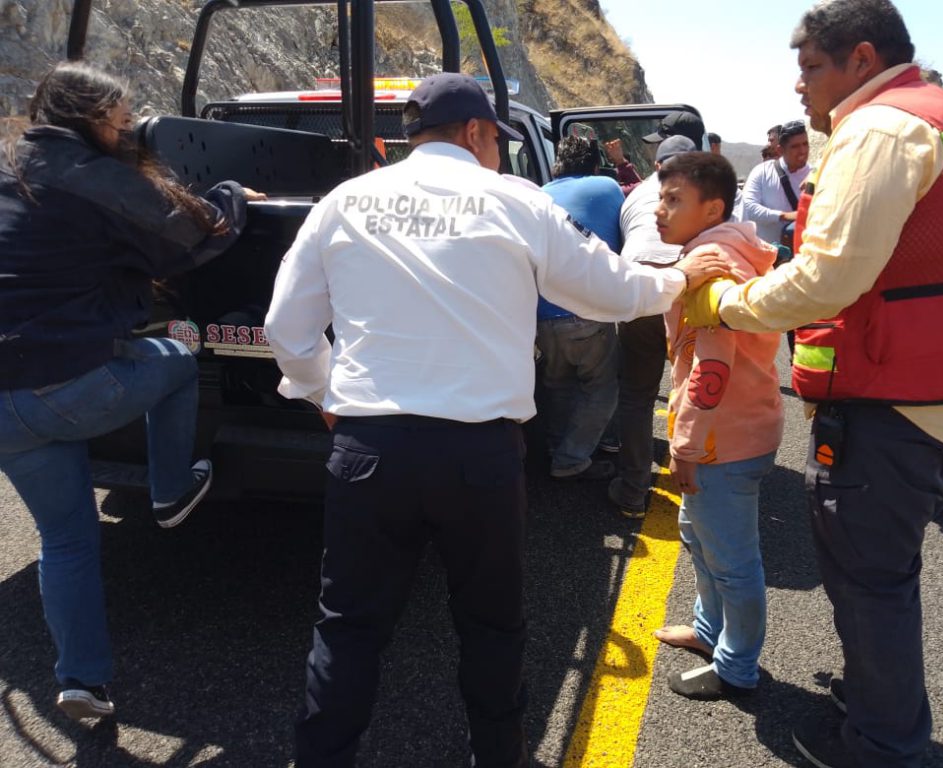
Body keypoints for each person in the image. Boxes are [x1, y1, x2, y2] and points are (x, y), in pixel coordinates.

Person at [263, 73, 729, 768]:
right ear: (477, 132)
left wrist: (326, 396)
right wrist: (679, 279)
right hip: (476, 457)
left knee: (349, 629)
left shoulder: (346, 201)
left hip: (371, 449)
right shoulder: (515, 200)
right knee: (489, 626)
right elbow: (608, 289)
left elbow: (286, 327)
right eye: (495, 140)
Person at [683, 1, 943, 765]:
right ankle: (877, 698)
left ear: (860, 60)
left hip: (891, 404)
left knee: (870, 580)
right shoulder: (933, 113)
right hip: (938, 388)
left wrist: (730, 302)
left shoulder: (881, 128)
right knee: (877, 572)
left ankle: (881, 741)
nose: (800, 88)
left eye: (811, 68)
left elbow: (829, 279)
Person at [0, 62, 256, 720]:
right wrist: (230, 192)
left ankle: (82, 680)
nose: (127, 128)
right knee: (177, 356)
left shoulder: (11, 165)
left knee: (67, 540)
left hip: (5, 403)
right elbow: (196, 233)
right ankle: (172, 490)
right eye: (120, 119)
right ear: (91, 120)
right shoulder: (96, 178)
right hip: (65, 385)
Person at [649, 152, 783, 700]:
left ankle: (737, 667)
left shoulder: (714, 264)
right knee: (699, 540)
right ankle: (709, 633)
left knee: (731, 561)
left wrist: (683, 444)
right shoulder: (713, 250)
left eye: (673, 199)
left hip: (720, 438)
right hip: (725, 431)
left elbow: (713, 366)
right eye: (661, 196)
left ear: (714, 207)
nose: (659, 209)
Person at [608, 130, 704, 518]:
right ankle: (702, 483)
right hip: (688, 293)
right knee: (697, 389)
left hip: (639, 295)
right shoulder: (704, 194)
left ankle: (632, 490)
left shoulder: (633, 195)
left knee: (636, 394)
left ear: (655, 164)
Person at [537, 135, 625, 480]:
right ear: (593, 164)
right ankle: (571, 459)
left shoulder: (540, 193)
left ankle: (557, 448)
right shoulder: (606, 185)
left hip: (542, 314)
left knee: (558, 385)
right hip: (589, 311)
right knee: (601, 387)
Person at [604, 107, 705, 196]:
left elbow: (639, 192)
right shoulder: (708, 187)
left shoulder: (667, 189)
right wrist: (621, 163)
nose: (656, 149)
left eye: (661, 144)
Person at [741, 119, 811, 245]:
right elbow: (747, 207)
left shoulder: (816, 175)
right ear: (780, 150)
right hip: (767, 258)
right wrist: (784, 216)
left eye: (805, 144)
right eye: (795, 146)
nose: (802, 151)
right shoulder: (762, 172)